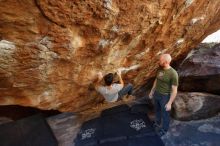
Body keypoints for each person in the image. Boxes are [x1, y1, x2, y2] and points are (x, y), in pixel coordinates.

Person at [149, 54, 178, 136]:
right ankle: (157, 123)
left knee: (165, 114)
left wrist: (169, 103)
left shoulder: (173, 74)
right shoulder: (160, 68)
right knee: (157, 109)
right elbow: (156, 79)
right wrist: (152, 91)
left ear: (165, 62)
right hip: (157, 93)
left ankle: (164, 129)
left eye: (160, 60)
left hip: (165, 96)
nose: (159, 61)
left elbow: (174, 91)